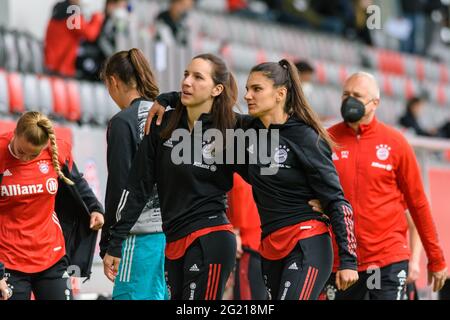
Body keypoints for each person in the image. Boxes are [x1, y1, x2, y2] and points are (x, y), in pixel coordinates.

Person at [146, 59, 359, 300]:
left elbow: (338, 201)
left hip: (307, 240)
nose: (247, 95)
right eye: (247, 89)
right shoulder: (247, 131)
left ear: (280, 94)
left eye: (257, 89)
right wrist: (169, 99)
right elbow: (208, 104)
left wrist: (348, 260)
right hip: (270, 246)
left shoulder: (306, 137)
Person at [104, 53, 245, 300]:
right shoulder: (161, 124)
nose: (187, 81)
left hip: (210, 238)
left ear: (216, 89)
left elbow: (268, 175)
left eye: (197, 77)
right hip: (172, 241)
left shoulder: (230, 129)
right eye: (185, 75)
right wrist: (114, 241)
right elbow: (136, 186)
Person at [321, 72, 447, 300]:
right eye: (346, 94)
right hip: (341, 261)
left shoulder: (395, 143)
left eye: (357, 96)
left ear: (375, 103)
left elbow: (417, 204)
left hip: (388, 259)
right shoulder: (326, 141)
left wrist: (435, 258)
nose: (350, 100)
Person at [0, 111, 104, 300]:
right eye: (22, 151)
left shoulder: (56, 150)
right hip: (9, 261)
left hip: (51, 256)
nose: (25, 159)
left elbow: (76, 181)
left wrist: (95, 207)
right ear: (15, 132)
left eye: (33, 155)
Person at [100, 48, 167, 300]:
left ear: (113, 81)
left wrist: (109, 241)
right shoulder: (168, 115)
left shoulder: (122, 122)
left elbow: (119, 184)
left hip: (138, 238)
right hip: (173, 236)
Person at [226, 174, 267, 300]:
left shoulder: (239, 171)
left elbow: (240, 190)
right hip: (261, 241)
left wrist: (236, 232)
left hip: (248, 244)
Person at [44, 0, 104, 77]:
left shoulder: (60, 9)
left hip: (52, 63)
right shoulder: (71, 14)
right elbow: (90, 34)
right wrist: (97, 17)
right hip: (61, 66)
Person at [76, 0, 129, 81]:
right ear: (110, 5)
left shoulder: (117, 22)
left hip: (106, 65)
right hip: (93, 62)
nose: (121, 10)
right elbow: (94, 38)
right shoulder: (99, 18)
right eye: (120, 7)